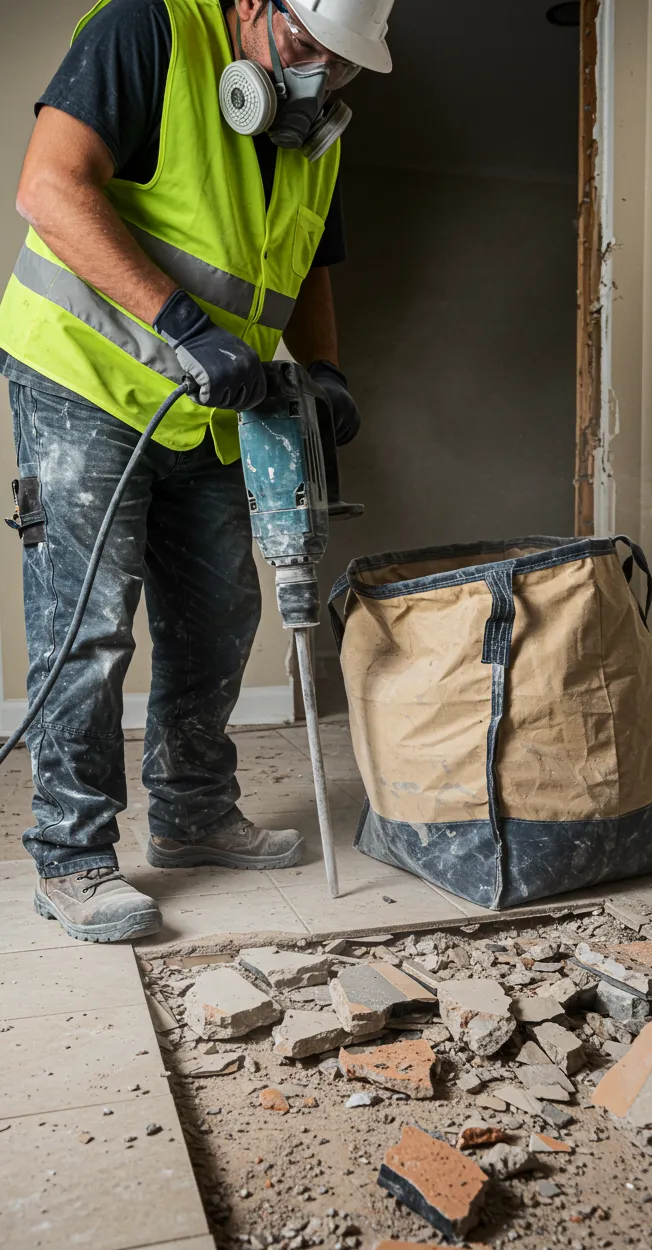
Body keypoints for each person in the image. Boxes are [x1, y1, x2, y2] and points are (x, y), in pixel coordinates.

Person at [0, 0, 394, 944]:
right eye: (305, 48)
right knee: (90, 623)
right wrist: (183, 326)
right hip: (85, 375)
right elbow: (50, 190)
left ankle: (192, 813)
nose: (318, 79)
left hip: (219, 402)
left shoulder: (314, 135)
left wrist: (325, 370)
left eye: (341, 67)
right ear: (255, 6)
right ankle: (74, 854)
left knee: (219, 617)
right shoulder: (147, 28)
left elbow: (309, 272)